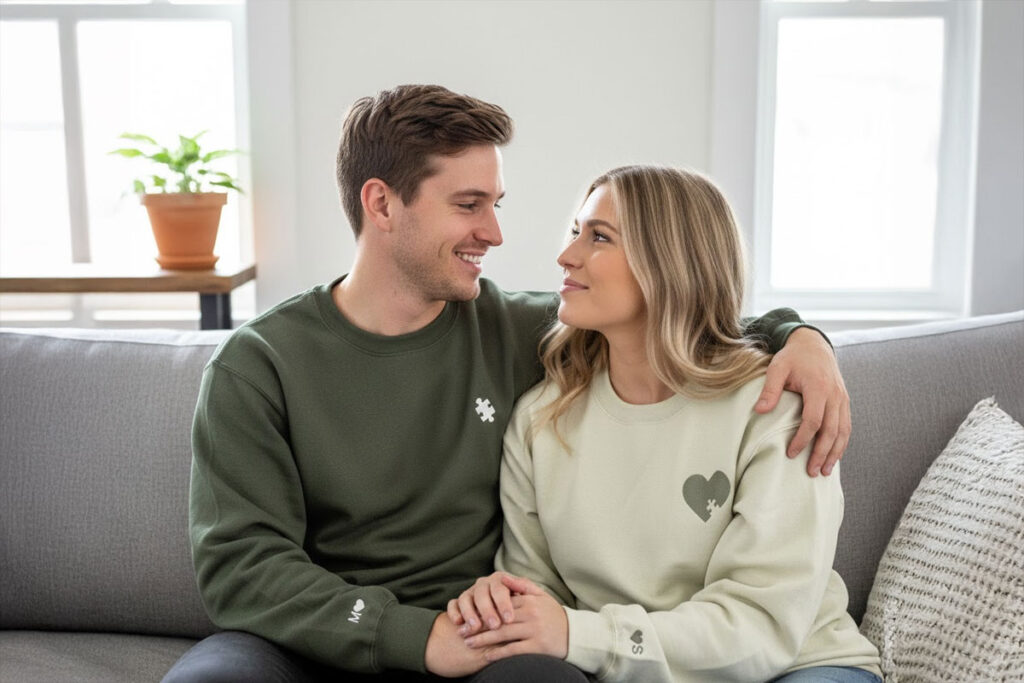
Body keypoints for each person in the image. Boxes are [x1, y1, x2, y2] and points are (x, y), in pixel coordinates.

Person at [164, 86, 852, 682]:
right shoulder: (258, 364)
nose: (494, 233)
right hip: (321, 643)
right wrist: (411, 634)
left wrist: (800, 336)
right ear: (381, 203)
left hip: (486, 645)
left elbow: (680, 311)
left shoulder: (524, 331)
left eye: (496, 202)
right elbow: (241, 565)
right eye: (469, 204)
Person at [447, 165, 882, 682]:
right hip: (621, 669)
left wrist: (579, 634)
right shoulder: (543, 420)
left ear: (670, 262)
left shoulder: (776, 408)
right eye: (575, 232)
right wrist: (504, 606)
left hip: (794, 666)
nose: (567, 256)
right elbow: (537, 598)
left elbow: (762, 628)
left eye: (600, 237)